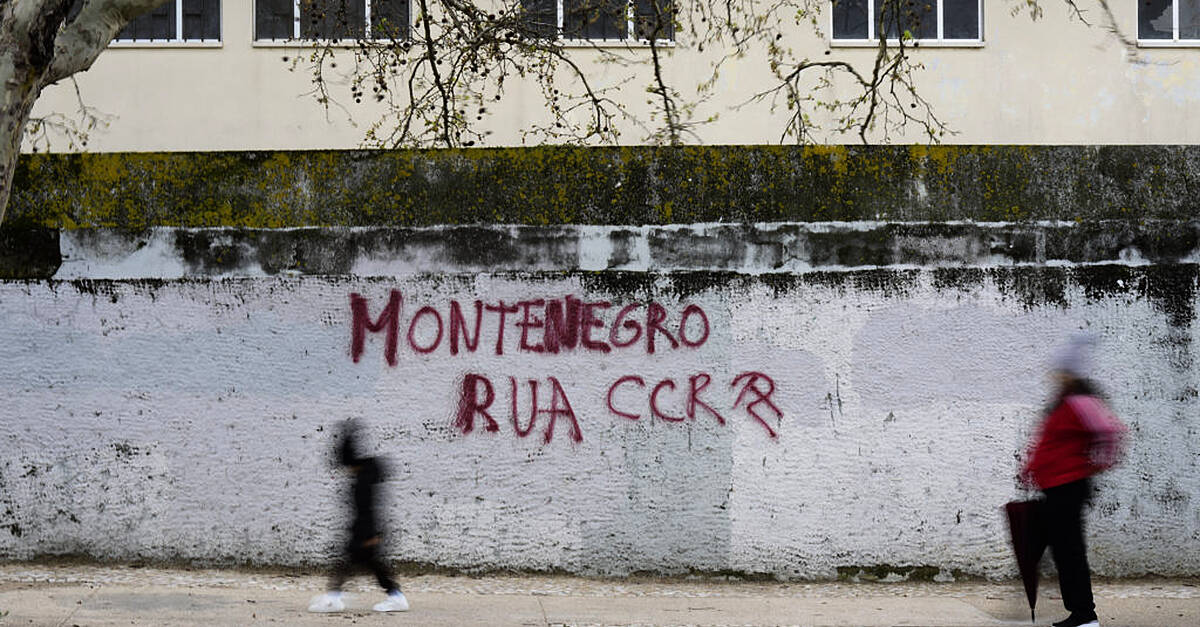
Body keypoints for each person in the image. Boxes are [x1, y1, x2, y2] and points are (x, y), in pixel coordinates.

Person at [1021, 334, 1126, 627]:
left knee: (1069, 551)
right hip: (1055, 487)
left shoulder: (1081, 402)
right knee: (1052, 546)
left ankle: (1084, 615)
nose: (1057, 376)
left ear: (1072, 374)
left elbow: (1110, 431)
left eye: (1062, 371)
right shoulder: (1063, 403)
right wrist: (1031, 469)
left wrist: (1096, 464)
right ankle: (1070, 609)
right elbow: (1048, 443)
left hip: (1068, 487)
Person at [308, 419, 409, 613]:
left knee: (358, 561)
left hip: (367, 530)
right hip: (366, 529)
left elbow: (367, 508)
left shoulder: (362, 481)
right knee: (363, 562)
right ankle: (336, 597)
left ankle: (336, 598)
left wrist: (371, 535)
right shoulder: (364, 475)